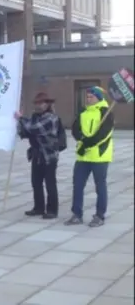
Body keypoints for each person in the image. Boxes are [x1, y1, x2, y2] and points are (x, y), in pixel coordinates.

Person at [65, 86, 114, 228]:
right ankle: (76, 214)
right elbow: (75, 129)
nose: (88, 99)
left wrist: (86, 143)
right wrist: (81, 139)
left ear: (98, 97)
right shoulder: (83, 112)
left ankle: (99, 215)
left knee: (100, 186)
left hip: (99, 156)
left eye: (91, 97)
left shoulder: (106, 112)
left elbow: (103, 134)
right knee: (78, 185)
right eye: (87, 97)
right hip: (82, 157)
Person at [15, 92, 61, 219]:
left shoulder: (52, 118)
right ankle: (39, 207)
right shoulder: (35, 117)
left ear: (47, 104)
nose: (38, 105)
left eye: (41, 103)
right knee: (36, 182)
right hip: (37, 154)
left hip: (49, 156)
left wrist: (20, 119)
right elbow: (25, 132)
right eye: (36, 103)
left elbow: (35, 128)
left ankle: (52, 210)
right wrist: (19, 124)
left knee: (50, 183)